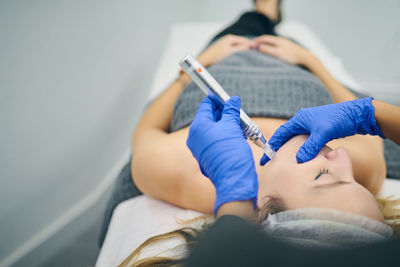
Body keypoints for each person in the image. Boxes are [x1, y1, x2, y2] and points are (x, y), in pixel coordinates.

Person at [119, 0, 400, 265]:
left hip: (224, 66)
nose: (342, 156)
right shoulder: (366, 169)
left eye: (323, 175)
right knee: (283, 41)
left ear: (258, 214)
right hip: (296, 70)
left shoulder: (185, 169)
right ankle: (269, 13)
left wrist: (198, 67)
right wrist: (311, 62)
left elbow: (147, 129)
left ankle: (262, 13)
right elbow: (354, 106)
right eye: (356, 182)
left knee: (238, 32)